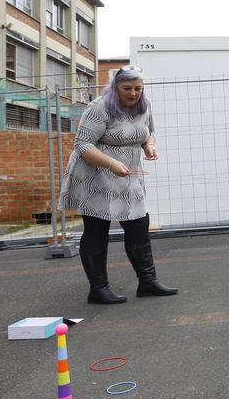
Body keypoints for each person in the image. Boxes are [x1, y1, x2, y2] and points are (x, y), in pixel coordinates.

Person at [59, 64, 177, 304]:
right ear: (115, 87)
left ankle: (147, 282)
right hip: (95, 174)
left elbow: (148, 133)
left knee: (138, 223)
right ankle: (98, 288)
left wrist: (149, 146)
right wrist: (111, 164)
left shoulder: (143, 107)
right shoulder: (99, 108)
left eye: (138, 88)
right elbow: (82, 145)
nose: (133, 93)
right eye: (127, 88)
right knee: (97, 228)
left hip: (127, 175)